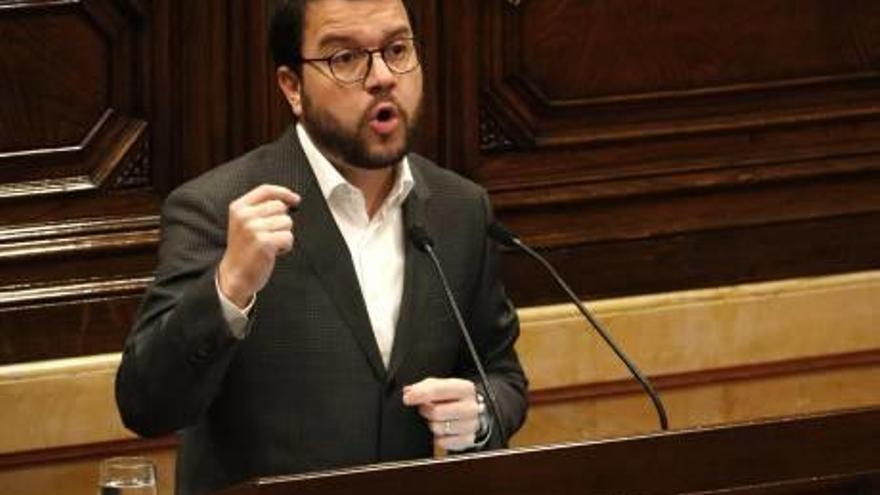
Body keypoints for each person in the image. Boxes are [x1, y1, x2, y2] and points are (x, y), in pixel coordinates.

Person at [115, 0, 528, 493]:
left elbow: (501, 374)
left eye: (397, 50)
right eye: (346, 59)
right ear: (292, 87)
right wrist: (229, 288)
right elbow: (146, 405)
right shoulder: (216, 208)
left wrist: (481, 413)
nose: (382, 77)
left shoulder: (460, 210)